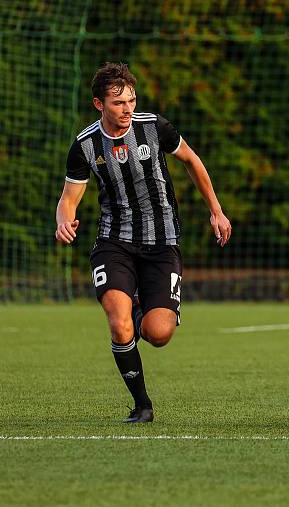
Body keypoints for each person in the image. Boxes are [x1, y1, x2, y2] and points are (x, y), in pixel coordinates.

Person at [55, 62, 232, 423]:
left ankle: (138, 307)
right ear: (98, 104)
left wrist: (216, 210)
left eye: (131, 101)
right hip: (113, 241)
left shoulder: (155, 128)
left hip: (162, 241)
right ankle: (142, 405)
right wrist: (63, 221)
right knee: (119, 326)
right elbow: (69, 198)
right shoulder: (86, 145)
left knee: (158, 333)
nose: (127, 109)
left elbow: (192, 161)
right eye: (118, 103)